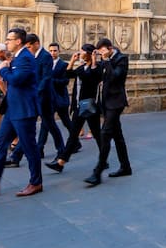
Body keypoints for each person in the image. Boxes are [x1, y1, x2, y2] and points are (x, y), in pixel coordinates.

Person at [0, 27, 44, 197]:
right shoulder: (17, 58)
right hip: (13, 109)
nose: (6, 43)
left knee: (29, 147)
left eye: (9, 40)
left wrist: (3, 69)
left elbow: (16, 80)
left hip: (24, 111)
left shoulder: (25, 58)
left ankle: (36, 182)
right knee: (0, 143)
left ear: (18, 41)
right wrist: (8, 67)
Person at [46, 44, 103, 173]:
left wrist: (94, 60)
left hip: (90, 106)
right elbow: (68, 73)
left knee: (98, 135)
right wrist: (72, 61)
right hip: (79, 106)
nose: (80, 54)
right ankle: (61, 162)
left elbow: (92, 77)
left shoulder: (97, 68)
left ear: (89, 54)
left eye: (82, 52)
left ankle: (103, 159)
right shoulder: (82, 67)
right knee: (73, 135)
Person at [9, 34, 65, 165]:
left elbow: (46, 78)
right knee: (28, 128)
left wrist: (36, 92)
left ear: (36, 44)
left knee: (51, 126)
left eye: (29, 46)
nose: (28, 49)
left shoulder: (45, 56)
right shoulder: (31, 56)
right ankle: (16, 156)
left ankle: (61, 152)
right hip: (33, 98)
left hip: (44, 98)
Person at [85, 38, 132, 186]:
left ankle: (97, 172)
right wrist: (94, 61)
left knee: (105, 134)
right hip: (106, 103)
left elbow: (114, 77)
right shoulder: (105, 60)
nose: (102, 54)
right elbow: (96, 76)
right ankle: (125, 167)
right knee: (117, 136)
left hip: (116, 102)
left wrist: (105, 60)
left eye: (103, 51)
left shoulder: (121, 59)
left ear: (110, 48)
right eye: (100, 52)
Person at [48, 43, 78, 155]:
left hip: (60, 98)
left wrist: (51, 81)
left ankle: (76, 142)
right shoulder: (47, 64)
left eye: (55, 51)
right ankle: (40, 147)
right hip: (50, 98)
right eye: (50, 51)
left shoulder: (63, 65)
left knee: (66, 122)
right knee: (46, 124)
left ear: (59, 51)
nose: (52, 53)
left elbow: (65, 81)